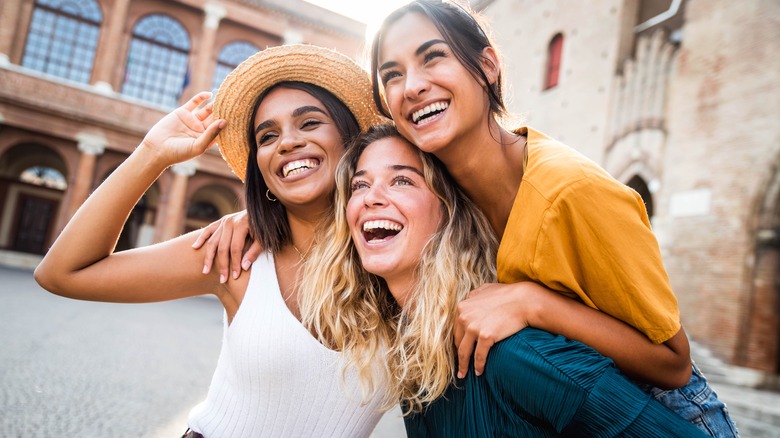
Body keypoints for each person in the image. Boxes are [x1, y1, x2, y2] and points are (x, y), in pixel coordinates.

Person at [198, 1, 737, 436]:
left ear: (487, 64)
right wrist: (262, 216)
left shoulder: (572, 193)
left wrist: (533, 301)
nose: (412, 85)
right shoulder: (445, 177)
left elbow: (673, 363)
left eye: (433, 58)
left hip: (661, 405)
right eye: (392, 74)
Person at [33, 44, 389, 438]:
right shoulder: (235, 257)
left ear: (352, 139)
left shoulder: (399, 259)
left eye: (309, 124)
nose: (286, 143)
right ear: (260, 166)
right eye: (267, 136)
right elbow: (62, 272)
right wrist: (152, 154)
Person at [303, 123, 708, 437]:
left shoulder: (516, 355)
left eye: (402, 180)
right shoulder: (415, 355)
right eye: (360, 184)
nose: (371, 197)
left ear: (448, 211)